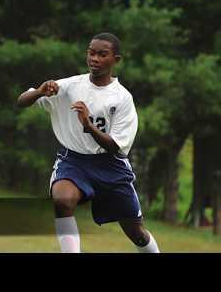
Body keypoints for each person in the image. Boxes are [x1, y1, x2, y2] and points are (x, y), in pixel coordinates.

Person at [17, 33, 160, 253]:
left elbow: (115, 147)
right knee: (62, 200)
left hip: (110, 166)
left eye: (102, 54)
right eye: (91, 53)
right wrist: (38, 92)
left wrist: (88, 124)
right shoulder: (70, 86)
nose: (95, 58)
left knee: (136, 233)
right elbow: (22, 101)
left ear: (116, 60)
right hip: (73, 161)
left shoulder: (122, 98)